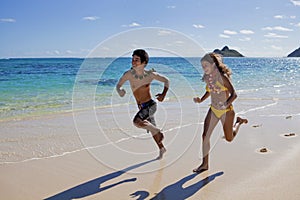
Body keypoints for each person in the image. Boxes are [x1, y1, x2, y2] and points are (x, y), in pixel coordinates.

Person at [193, 53, 248, 173]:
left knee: (229, 138)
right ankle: (205, 164)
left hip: (227, 112)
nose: (204, 68)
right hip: (213, 110)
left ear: (213, 65)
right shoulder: (208, 77)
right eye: (202, 66)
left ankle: (238, 122)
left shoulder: (222, 77)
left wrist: (225, 104)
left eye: (206, 65)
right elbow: (209, 91)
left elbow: (234, 94)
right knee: (205, 136)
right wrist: (201, 99)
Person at [116, 49, 169, 159]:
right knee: (152, 130)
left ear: (144, 62)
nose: (133, 62)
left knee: (137, 121)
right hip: (141, 107)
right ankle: (162, 148)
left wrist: (163, 94)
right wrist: (120, 90)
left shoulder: (150, 75)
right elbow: (118, 85)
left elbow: (166, 80)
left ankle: (158, 131)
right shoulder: (129, 74)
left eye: (136, 60)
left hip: (150, 105)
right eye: (132, 59)